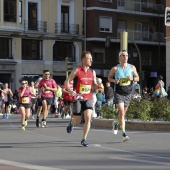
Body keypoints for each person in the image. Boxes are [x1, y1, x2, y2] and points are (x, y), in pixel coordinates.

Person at [65, 51, 99, 147]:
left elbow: (94, 84)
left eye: (91, 58)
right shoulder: (77, 70)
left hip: (88, 97)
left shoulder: (93, 72)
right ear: (83, 60)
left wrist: (97, 86)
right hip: (78, 98)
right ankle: (72, 122)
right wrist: (71, 91)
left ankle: (84, 139)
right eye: (89, 58)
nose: (91, 60)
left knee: (88, 117)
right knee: (77, 120)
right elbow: (67, 81)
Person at [108, 50, 139, 142]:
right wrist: (114, 81)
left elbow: (138, 77)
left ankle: (116, 123)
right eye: (123, 55)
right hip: (119, 93)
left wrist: (133, 78)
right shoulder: (115, 69)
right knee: (121, 113)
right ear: (119, 58)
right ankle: (124, 134)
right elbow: (109, 78)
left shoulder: (132, 67)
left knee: (122, 114)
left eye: (126, 55)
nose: (125, 57)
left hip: (128, 93)